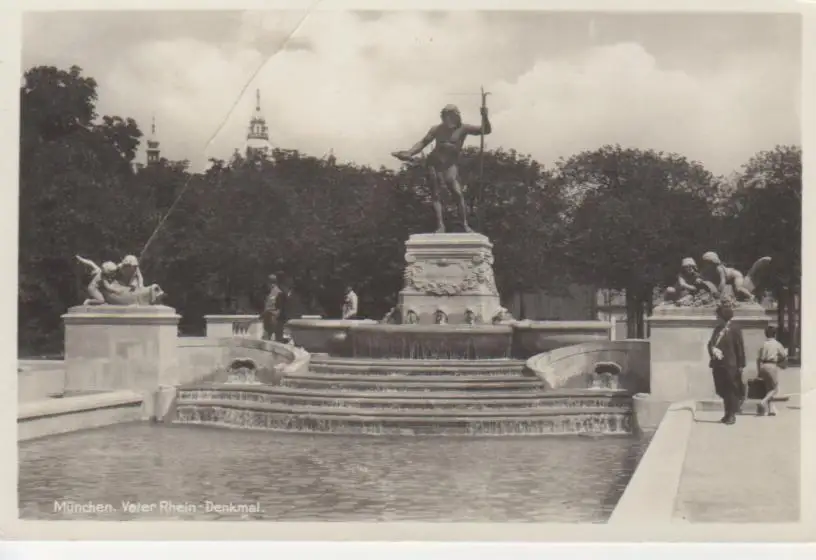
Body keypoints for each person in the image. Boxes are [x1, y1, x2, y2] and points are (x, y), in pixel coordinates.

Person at [392, 103, 491, 233]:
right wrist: (410, 152)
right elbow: (423, 142)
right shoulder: (436, 129)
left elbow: (485, 130)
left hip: (450, 164)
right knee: (436, 194)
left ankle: (464, 224)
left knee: (457, 193)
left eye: (449, 116)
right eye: (444, 116)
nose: (446, 119)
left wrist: (485, 116)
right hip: (435, 163)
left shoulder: (464, 128)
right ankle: (440, 225)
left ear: (456, 116)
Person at [707, 303, 746, 424]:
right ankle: (727, 413)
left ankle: (731, 414)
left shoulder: (735, 330)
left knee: (731, 390)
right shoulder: (717, 329)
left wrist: (741, 365)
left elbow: (740, 348)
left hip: (731, 365)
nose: (716, 318)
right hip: (718, 364)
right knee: (722, 389)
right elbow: (711, 343)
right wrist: (713, 350)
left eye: (718, 316)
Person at [756, 325, 788, 416]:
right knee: (775, 389)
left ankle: (771, 410)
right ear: (775, 334)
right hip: (772, 365)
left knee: (768, 388)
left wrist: (759, 371)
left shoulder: (763, 344)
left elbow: (758, 358)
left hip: (763, 366)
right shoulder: (777, 344)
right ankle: (763, 402)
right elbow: (783, 355)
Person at [260, 274, 282, 341]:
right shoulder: (269, 293)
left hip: (273, 319)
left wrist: (274, 315)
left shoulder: (279, 293)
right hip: (267, 320)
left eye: (267, 283)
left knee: (275, 340)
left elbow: (280, 308)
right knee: (265, 339)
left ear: (271, 283)